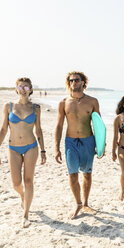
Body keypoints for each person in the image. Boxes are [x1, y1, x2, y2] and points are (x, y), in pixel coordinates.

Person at [0, 77, 46, 228]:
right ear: (17, 89)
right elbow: (3, 129)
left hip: (31, 147)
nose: (24, 89)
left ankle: (25, 214)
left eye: (27, 87)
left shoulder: (36, 108)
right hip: (13, 148)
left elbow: (38, 130)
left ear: (31, 90)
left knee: (28, 181)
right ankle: (22, 195)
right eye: (21, 86)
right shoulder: (8, 106)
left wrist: (43, 150)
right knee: (16, 183)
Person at [54, 71, 101, 219]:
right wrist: (56, 148)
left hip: (88, 141)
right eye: (71, 80)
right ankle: (78, 203)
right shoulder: (63, 102)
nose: (73, 82)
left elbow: (99, 125)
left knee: (87, 174)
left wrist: (101, 145)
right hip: (71, 142)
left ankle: (86, 203)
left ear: (83, 82)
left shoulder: (93, 101)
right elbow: (59, 126)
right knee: (73, 175)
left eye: (76, 80)